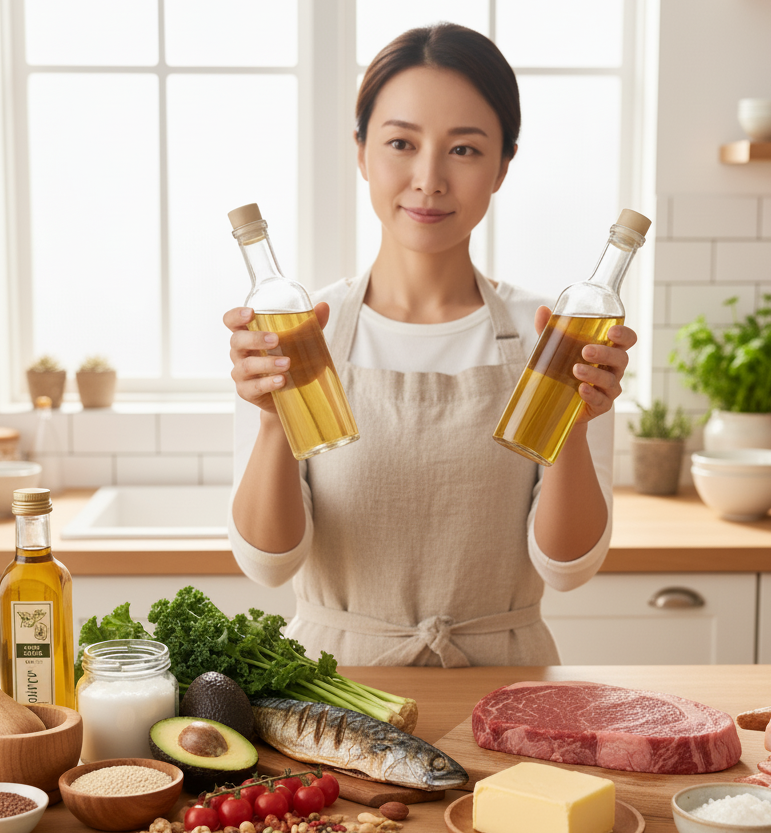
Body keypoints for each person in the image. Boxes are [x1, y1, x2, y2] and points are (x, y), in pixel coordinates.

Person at [224, 23, 637, 667]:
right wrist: (274, 425)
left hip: (504, 685)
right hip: (338, 691)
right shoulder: (300, 334)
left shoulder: (553, 337)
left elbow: (566, 569)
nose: (429, 179)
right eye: (400, 143)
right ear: (361, 152)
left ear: (504, 165)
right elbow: (269, 563)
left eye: (465, 150)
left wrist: (574, 429)